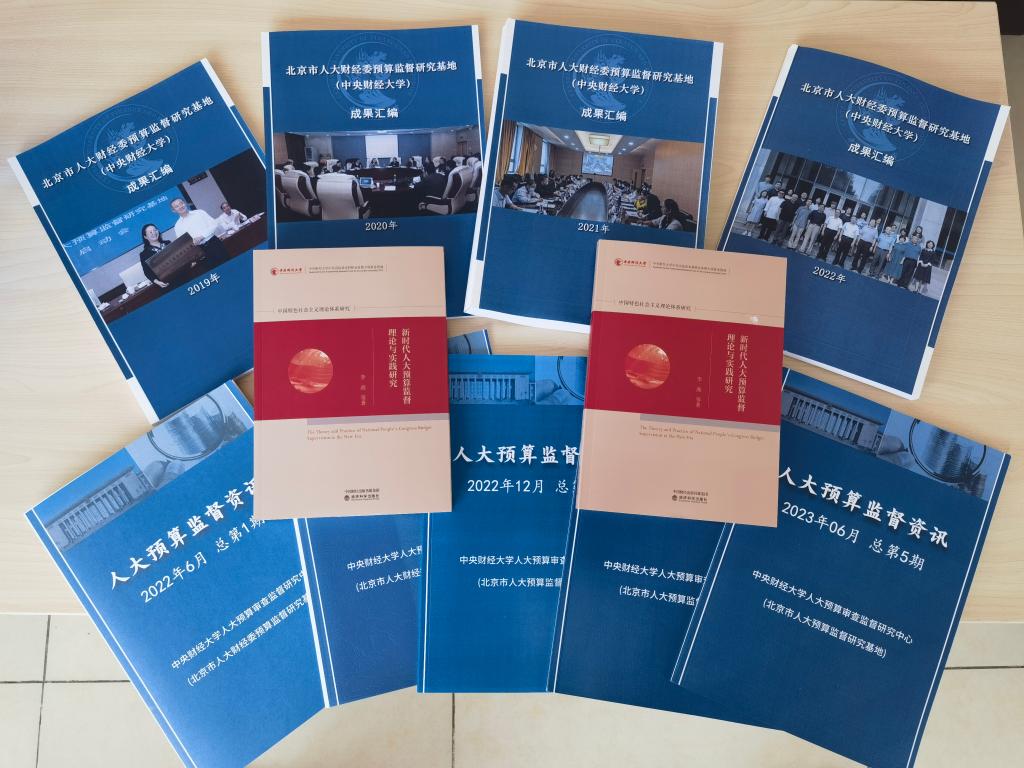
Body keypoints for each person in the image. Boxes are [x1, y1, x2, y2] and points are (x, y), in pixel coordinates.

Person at [170, 197, 227, 262]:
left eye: (181, 203)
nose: (180, 206)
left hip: (214, 243)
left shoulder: (199, 212)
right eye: (177, 206)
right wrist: (192, 242)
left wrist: (201, 237)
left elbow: (214, 224)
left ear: (185, 203)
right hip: (199, 251)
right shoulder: (177, 226)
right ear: (174, 210)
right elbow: (183, 243)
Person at [138, 223, 171, 288]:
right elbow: (147, 272)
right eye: (150, 232)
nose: (154, 233)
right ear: (145, 237)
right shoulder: (144, 254)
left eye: (155, 230)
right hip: (165, 282)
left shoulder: (168, 243)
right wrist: (157, 282)